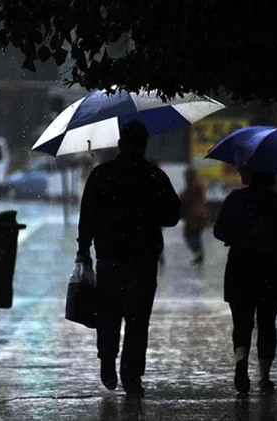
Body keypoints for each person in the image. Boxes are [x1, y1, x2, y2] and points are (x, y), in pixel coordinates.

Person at [75, 120, 182, 395]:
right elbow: (172, 216)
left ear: (120, 144)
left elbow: (87, 216)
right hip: (143, 260)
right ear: (144, 145)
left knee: (109, 313)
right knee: (138, 319)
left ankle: (107, 360)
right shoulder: (155, 177)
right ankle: (131, 374)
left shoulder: (101, 175)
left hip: (109, 258)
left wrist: (83, 249)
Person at [213, 169, 277, 395]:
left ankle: (241, 360)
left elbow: (218, 231)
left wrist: (238, 236)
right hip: (270, 267)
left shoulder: (235, 199)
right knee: (267, 323)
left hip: (240, 265)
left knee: (242, 321)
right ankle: (264, 377)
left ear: (250, 175)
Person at [179, 167, 210, 265]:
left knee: (189, 235)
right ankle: (199, 254)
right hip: (200, 214)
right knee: (196, 235)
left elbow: (186, 198)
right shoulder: (199, 185)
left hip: (193, 215)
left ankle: (198, 252)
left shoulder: (192, 186)